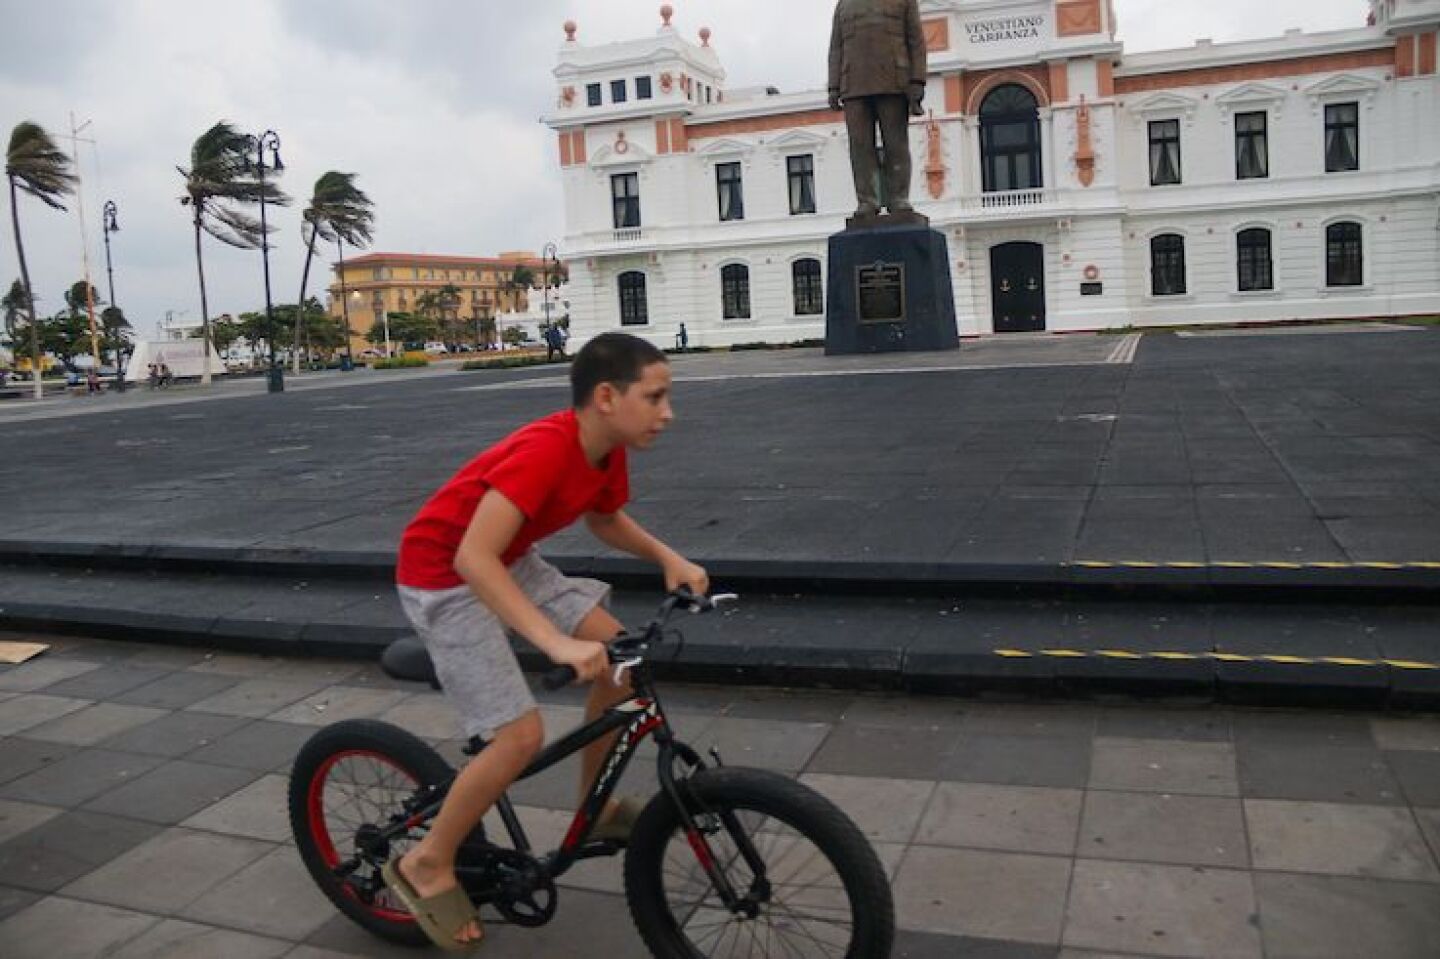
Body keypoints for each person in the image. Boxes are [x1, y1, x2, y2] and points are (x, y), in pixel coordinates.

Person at [385, 332, 708, 949]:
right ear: (608, 396)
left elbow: (604, 516)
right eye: (657, 396)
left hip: (509, 560)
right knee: (519, 735)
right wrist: (552, 642)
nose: (669, 413)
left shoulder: (607, 447)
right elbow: (472, 558)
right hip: (442, 573)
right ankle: (427, 860)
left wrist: (668, 557)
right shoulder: (545, 450)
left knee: (624, 664)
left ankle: (594, 810)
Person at [827, 0, 927, 219]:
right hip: (853, 85)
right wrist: (833, 86)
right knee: (860, 147)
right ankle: (867, 201)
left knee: (896, 144)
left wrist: (918, 80)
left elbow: (916, 41)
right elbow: (836, 48)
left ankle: (898, 198)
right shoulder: (844, 4)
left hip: (893, 81)